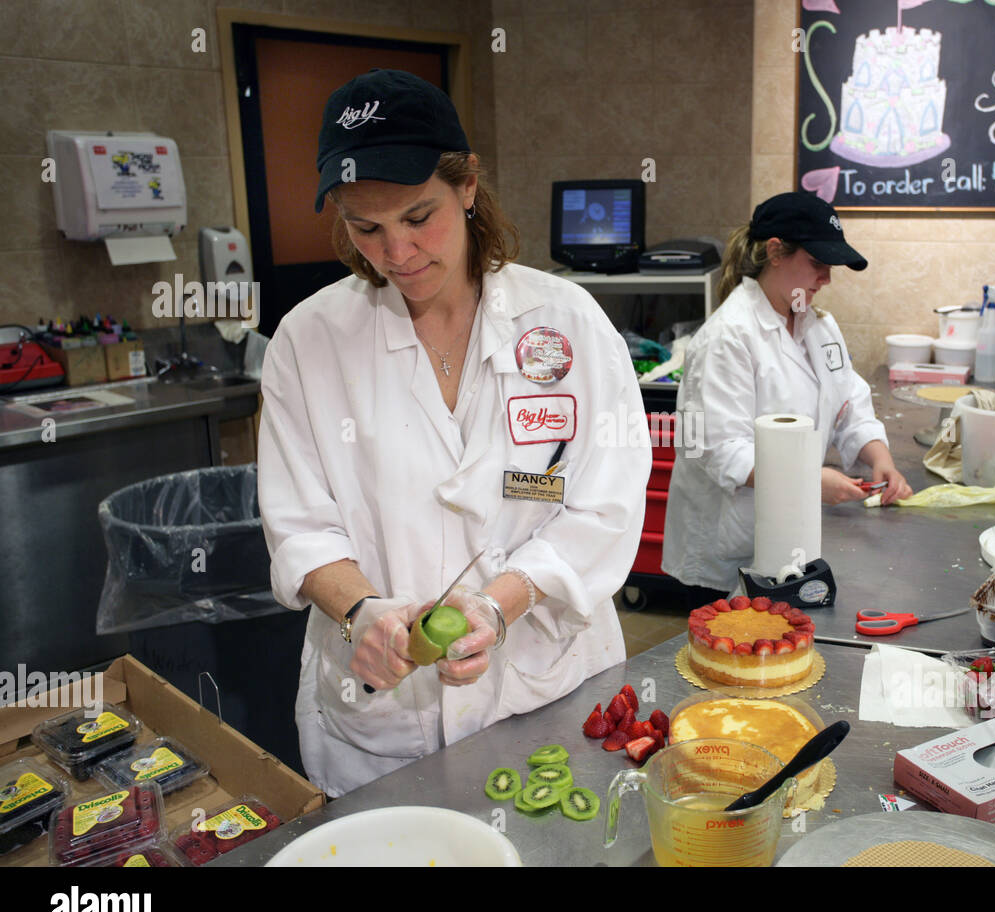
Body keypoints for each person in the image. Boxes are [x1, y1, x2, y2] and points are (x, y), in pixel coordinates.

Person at [258, 69, 650, 796]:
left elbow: (607, 503)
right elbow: (300, 527)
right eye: (363, 226)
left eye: (417, 217)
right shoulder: (308, 341)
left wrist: (501, 602)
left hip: (546, 689)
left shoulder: (566, 323)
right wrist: (363, 613)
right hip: (382, 728)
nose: (396, 253)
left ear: (468, 184)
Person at [662, 191, 911, 593]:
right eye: (817, 263)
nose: (827, 279)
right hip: (734, 543)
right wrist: (808, 481)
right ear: (776, 252)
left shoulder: (818, 326)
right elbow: (721, 450)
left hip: (791, 535)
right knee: (737, 647)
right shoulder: (728, 337)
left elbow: (849, 405)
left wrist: (880, 458)